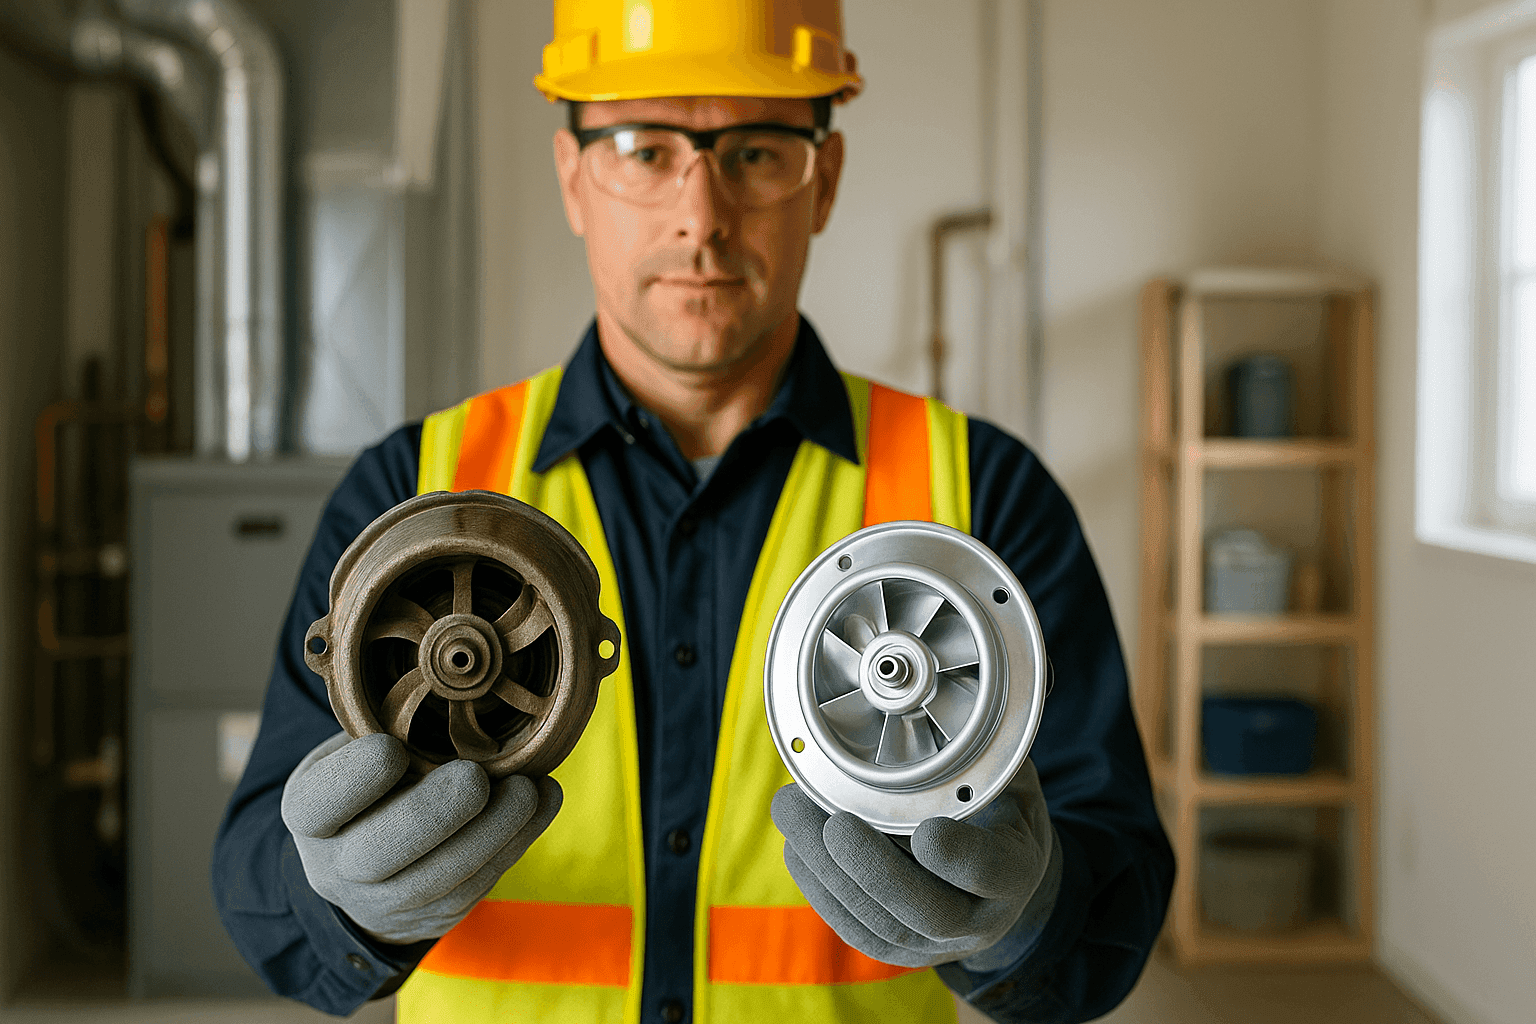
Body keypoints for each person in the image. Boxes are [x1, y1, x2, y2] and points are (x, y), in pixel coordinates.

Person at [212, 1, 1174, 1021]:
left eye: (757, 152)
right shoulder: (411, 486)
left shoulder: (983, 493)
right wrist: (343, 901)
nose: (702, 214)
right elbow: (259, 893)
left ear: (826, 180)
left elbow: (1105, 914)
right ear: (573, 177)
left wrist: (1023, 915)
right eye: (642, 148)